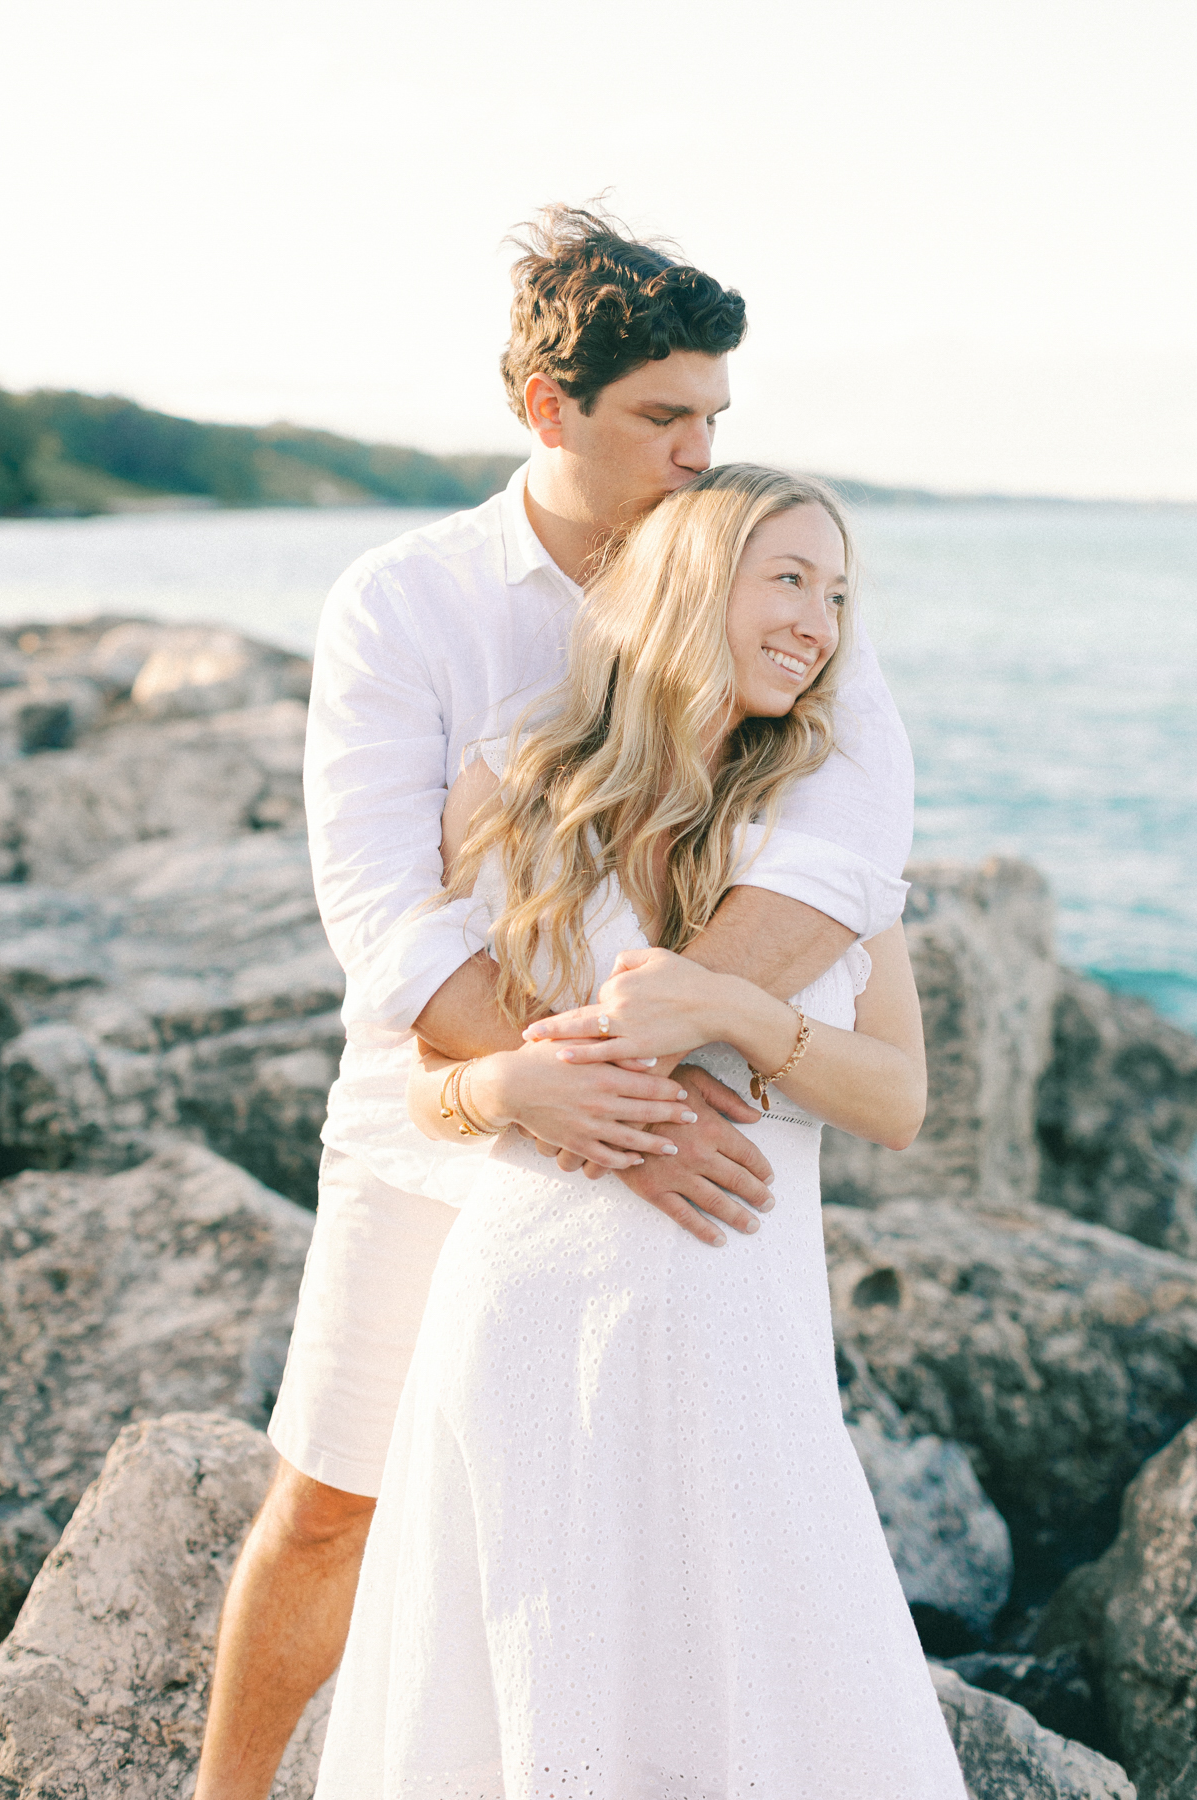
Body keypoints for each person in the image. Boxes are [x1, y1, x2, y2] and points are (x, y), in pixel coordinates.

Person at [194, 208, 914, 1800]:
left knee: (651, 1510)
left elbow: (850, 846)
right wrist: (555, 1093)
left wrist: (649, 1079)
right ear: (548, 411)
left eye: (713, 415)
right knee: (336, 1493)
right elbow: (381, 912)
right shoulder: (409, 598)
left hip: (675, 1088)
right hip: (439, 1086)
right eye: (665, 418)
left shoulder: (767, 576)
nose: (696, 449)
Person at [314, 464, 964, 1797]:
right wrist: (509, 1092)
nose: (821, 623)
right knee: (529, 1712)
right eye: (787, 579)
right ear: (688, 587)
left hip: (744, 1348)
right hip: (527, 1331)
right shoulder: (522, 802)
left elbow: (898, 1102)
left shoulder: (827, 845)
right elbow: (420, 1081)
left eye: (838, 594)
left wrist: (727, 1005)